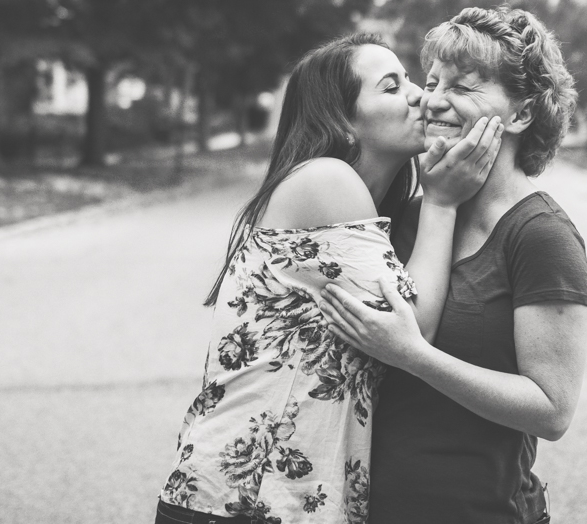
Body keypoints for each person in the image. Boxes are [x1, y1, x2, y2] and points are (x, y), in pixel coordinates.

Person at [155, 33, 503, 524]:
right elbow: (411, 334)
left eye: (409, 80)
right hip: (240, 503)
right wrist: (443, 203)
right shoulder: (326, 181)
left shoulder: (364, 206)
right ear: (342, 118)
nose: (420, 96)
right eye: (390, 86)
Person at [319, 7, 587, 524]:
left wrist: (415, 356)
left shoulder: (542, 237)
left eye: (464, 88)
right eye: (432, 81)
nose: (433, 99)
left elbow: (552, 409)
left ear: (521, 114)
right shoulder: (411, 216)